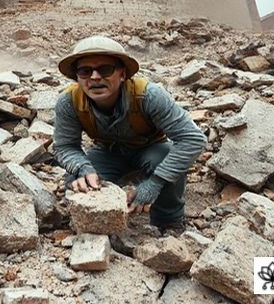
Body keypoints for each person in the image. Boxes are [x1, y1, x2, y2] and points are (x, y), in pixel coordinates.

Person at [53, 35, 207, 231]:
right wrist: (82, 168)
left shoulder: (149, 95)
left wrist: (155, 182)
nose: (95, 77)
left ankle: (169, 223)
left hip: (150, 148)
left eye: (105, 69)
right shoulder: (68, 102)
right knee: (77, 181)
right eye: (85, 71)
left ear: (122, 74)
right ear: (77, 77)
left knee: (166, 159)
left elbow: (192, 139)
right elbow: (65, 146)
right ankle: (96, 225)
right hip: (107, 152)